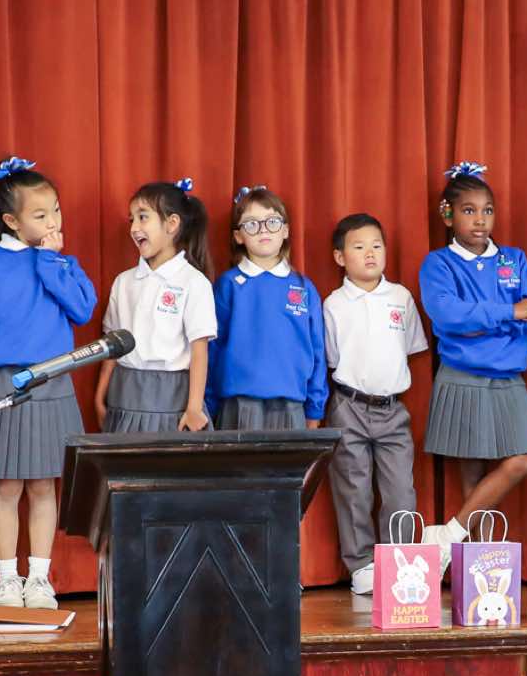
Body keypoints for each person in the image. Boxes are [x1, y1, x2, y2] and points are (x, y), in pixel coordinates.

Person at [0, 155, 97, 609]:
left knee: (44, 485)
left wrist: (50, 261)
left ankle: (40, 579)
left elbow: (83, 309)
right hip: (0, 384)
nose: (53, 222)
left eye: (56, 211)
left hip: (52, 383)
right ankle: (7, 579)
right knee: (7, 486)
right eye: (41, 214)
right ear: (11, 220)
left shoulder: (61, 263)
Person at [417, 160, 527, 557]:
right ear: (448, 215)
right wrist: (506, 313)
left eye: (487, 210)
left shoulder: (513, 259)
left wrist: (479, 319)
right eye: (469, 210)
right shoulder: (439, 263)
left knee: (519, 461)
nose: (480, 220)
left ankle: (447, 536)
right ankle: (478, 565)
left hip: (508, 379)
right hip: (462, 376)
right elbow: (448, 316)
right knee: (472, 474)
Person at [322, 212, 429, 596]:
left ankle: (400, 562)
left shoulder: (400, 297)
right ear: (340, 257)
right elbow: (332, 358)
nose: (370, 254)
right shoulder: (333, 304)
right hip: (349, 404)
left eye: (377, 246)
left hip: (392, 408)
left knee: (401, 491)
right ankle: (361, 564)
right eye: (359, 246)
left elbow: (411, 347)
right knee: (354, 489)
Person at [93, 178, 217, 432]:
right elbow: (112, 345)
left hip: (173, 403)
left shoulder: (193, 282)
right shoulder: (124, 282)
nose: (134, 228)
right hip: (123, 397)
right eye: (132, 220)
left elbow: (199, 351)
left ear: (172, 224)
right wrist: (99, 396)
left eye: (143, 217)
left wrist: (194, 408)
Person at [208, 184, 328, 430]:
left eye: (272, 222)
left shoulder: (303, 287)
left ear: (285, 230)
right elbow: (212, 349)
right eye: (252, 224)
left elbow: (318, 351)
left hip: (292, 406)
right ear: (238, 236)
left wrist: (315, 408)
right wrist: (207, 405)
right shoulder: (228, 285)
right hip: (237, 405)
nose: (263, 229)